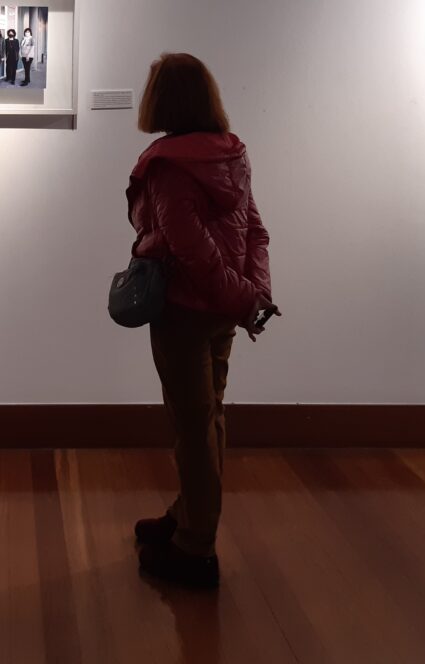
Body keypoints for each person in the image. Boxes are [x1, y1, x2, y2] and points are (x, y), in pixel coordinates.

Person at [125, 52, 272, 589]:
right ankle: (189, 512)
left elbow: (193, 253)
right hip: (220, 313)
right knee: (209, 419)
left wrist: (243, 300)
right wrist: (253, 296)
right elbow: (254, 231)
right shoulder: (231, 153)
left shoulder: (168, 165)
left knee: (192, 427)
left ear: (161, 100)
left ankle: (195, 547)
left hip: (185, 311)